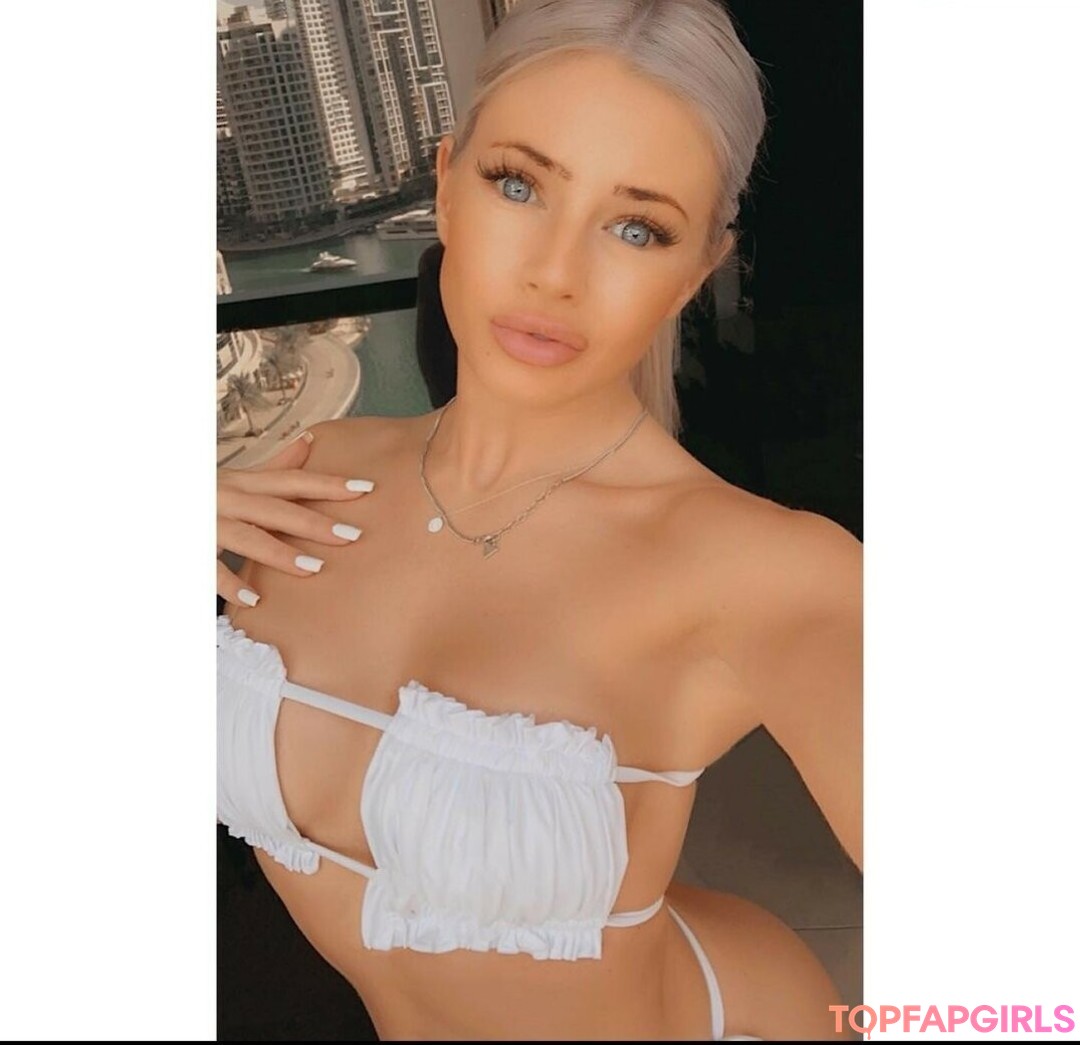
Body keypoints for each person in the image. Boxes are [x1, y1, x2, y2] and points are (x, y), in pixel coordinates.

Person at [216, 0, 861, 1039]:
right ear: (445, 184)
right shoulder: (314, 472)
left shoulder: (760, 568)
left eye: (637, 228)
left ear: (696, 270)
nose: (556, 274)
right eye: (518, 184)